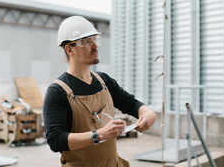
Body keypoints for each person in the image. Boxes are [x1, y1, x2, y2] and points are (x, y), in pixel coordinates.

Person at [43, 16, 156, 167]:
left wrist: (148, 113)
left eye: (94, 40)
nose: (95, 46)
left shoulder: (104, 82)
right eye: (86, 41)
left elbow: (130, 103)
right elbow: (56, 140)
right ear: (69, 49)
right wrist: (100, 134)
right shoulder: (57, 91)